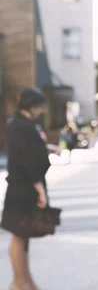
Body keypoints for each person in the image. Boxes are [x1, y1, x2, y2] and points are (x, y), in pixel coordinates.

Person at [1, 88, 60, 290]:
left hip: (20, 187)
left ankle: (24, 281)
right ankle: (20, 282)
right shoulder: (22, 127)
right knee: (20, 236)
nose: (42, 110)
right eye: (40, 106)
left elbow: (26, 151)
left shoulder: (20, 125)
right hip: (24, 189)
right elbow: (27, 160)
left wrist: (47, 148)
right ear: (31, 105)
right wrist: (40, 190)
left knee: (22, 236)